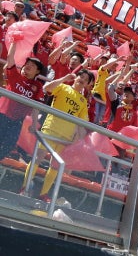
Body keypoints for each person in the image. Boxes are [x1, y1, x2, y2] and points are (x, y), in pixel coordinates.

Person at [25, 68, 94, 200]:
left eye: (86, 80)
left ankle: (43, 194)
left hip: (66, 137)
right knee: (38, 158)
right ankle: (25, 188)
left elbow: (82, 124)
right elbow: (46, 88)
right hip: (50, 129)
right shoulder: (62, 87)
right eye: (81, 76)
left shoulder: (83, 101)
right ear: (76, 77)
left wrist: (79, 141)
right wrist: (64, 78)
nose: (82, 80)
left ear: (88, 84)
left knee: (55, 165)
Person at [0, 41, 45, 160]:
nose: (28, 66)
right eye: (27, 63)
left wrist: (34, 124)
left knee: (8, 146)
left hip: (17, 121)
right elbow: (10, 58)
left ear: (38, 71)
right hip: (2, 115)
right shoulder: (16, 76)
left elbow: (36, 106)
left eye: (32, 65)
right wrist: (14, 42)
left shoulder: (38, 86)